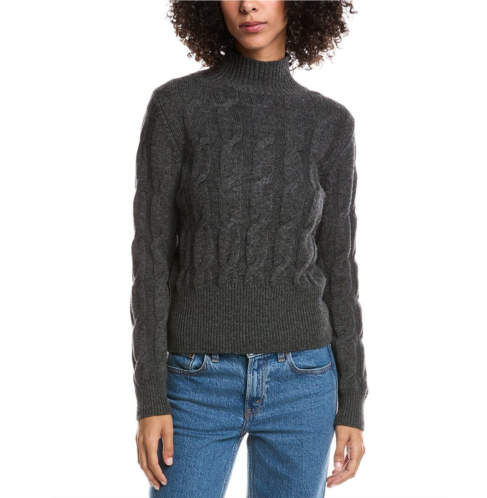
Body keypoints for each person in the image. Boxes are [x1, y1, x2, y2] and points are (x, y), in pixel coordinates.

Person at [131, 1, 368, 496]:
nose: (248, 5)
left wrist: (352, 403)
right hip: (196, 380)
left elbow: (339, 266)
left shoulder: (330, 122)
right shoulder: (177, 106)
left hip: (305, 378)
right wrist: (151, 396)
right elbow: (151, 258)